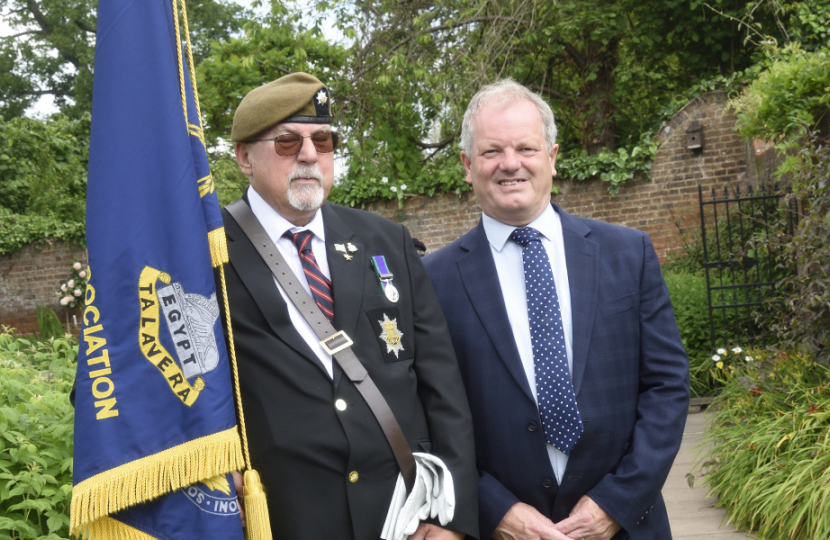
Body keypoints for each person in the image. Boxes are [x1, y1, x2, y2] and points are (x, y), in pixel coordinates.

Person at [423, 79, 690, 540]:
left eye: (526, 147)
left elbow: (667, 387)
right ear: (467, 165)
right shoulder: (431, 279)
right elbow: (425, 414)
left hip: (626, 526)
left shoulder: (629, 254)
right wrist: (494, 510)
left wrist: (617, 502)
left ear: (552, 155)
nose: (511, 164)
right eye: (491, 152)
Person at [221, 72, 478, 540]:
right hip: (288, 521)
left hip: (404, 518)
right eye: (286, 143)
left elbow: (443, 386)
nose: (308, 154)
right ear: (243, 157)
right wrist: (213, 477)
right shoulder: (209, 254)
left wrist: (453, 521)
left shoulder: (385, 240)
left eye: (323, 139)